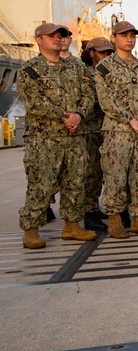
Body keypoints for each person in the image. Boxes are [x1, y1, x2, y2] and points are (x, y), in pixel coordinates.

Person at [18, 23, 97, 249]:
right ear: (39, 40)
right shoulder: (30, 69)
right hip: (45, 140)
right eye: (50, 36)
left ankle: (72, 226)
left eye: (59, 35)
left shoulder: (75, 67)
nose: (56, 38)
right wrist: (66, 117)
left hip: (74, 137)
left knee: (75, 182)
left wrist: (80, 115)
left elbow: (89, 93)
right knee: (41, 184)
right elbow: (34, 101)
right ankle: (31, 229)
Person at [94, 20, 138, 238]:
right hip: (118, 132)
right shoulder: (105, 67)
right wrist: (131, 120)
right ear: (113, 38)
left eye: (132, 35)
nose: (129, 39)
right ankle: (115, 221)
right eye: (124, 35)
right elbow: (106, 100)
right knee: (116, 177)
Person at [80, 37, 115, 232]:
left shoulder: (113, 71)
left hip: (109, 128)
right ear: (91, 53)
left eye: (110, 53)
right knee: (91, 172)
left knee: (108, 172)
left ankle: (103, 207)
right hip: (90, 129)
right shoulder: (83, 73)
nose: (107, 57)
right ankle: (89, 211)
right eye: (103, 53)